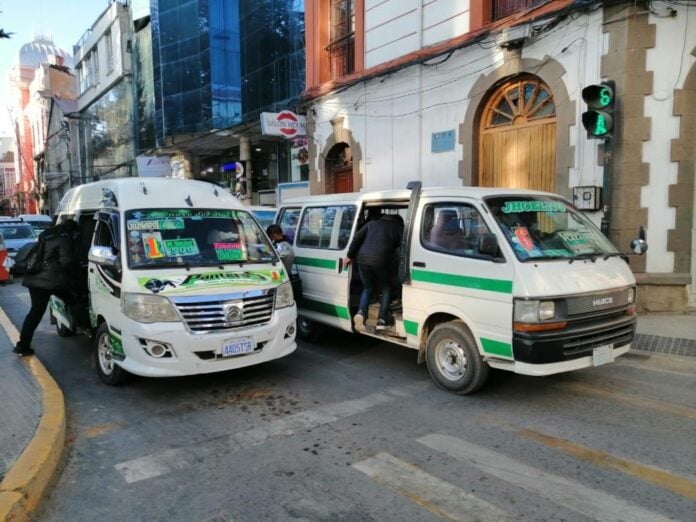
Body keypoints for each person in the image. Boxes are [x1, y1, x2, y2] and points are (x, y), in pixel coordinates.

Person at [14, 219, 79, 356]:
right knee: (75, 299)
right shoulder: (64, 238)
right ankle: (81, 325)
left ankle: (23, 345)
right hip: (50, 281)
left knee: (34, 313)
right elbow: (67, 262)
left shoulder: (48, 234)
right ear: (72, 231)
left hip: (35, 279)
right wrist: (77, 271)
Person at [344, 212, 403, 331]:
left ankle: (361, 313)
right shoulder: (398, 228)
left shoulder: (371, 224)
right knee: (386, 288)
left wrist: (349, 256)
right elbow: (403, 247)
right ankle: (382, 319)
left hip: (362, 260)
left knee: (368, 288)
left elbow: (357, 238)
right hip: (381, 260)